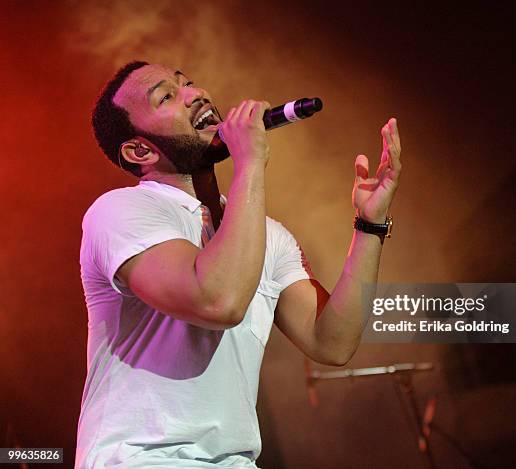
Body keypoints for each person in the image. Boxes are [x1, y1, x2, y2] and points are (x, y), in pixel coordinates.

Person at [75, 61, 401, 468]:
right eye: (167, 96)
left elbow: (332, 342)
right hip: (143, 458)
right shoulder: (122, 211)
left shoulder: (265, 234)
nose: (196, 94)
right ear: (140, 150)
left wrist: (369, 225)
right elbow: (218, 302)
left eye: (188, 83)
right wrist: (250, 162)